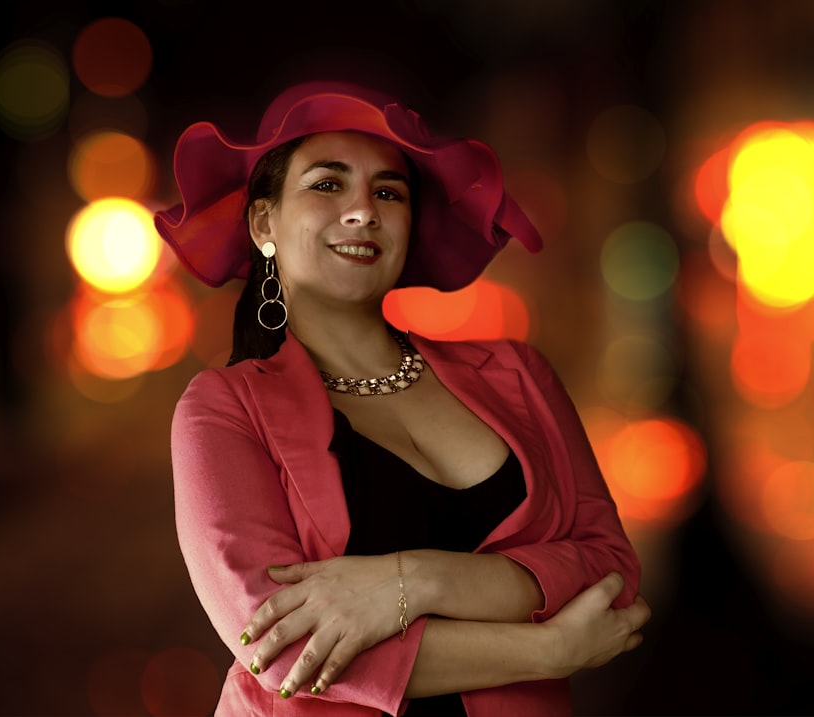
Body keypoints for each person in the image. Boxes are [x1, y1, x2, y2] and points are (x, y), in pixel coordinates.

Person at [156, 81, 651, 716]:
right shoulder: (221, 408)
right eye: (327, 184)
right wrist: (550, 650)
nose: (363, 211)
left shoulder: (518, 372)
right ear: (264, 222)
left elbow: (611, 569)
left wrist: (407, 582)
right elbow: (280, 647)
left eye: (388, 192)